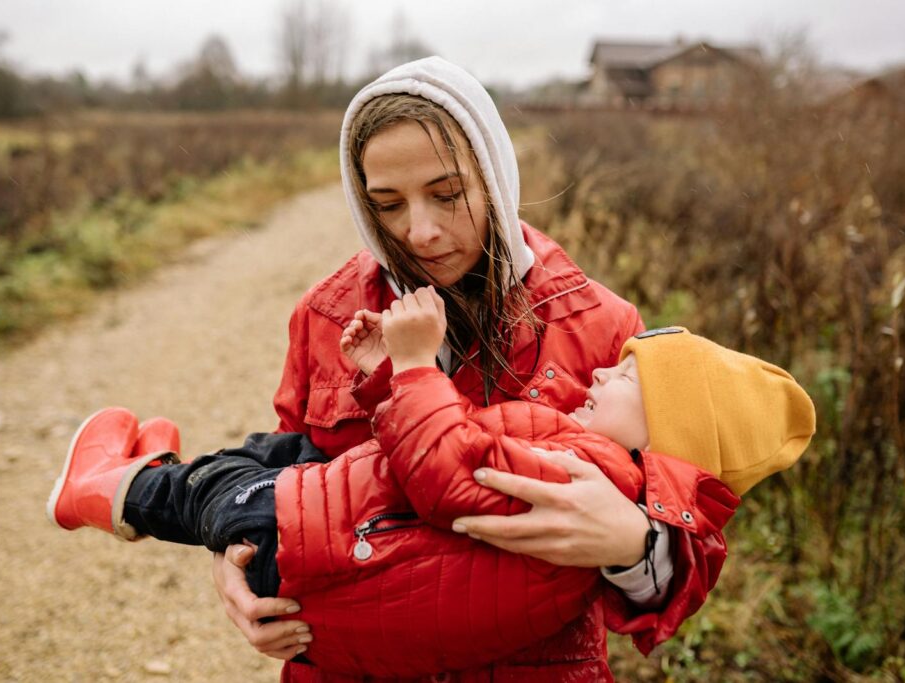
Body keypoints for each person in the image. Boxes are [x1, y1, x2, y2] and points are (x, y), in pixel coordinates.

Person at [157, 55, 741, 680]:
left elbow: (683, 548)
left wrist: (635, 544)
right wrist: (235, 559)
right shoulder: (327, 315)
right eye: (387, 205)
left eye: (447, 194)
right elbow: (288, 481)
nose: (421, 232)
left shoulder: (602, 325)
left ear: (493, 175)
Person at [47, 285, 815, 678]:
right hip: (354, 530)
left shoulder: (591, 470)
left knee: (216, 488)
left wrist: (416, 365)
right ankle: (153, 473)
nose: (602, 374)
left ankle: (106, 488)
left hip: (333, 548)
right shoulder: (598, 455)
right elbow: (457, 448)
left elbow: (446, 475)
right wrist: (389, 378)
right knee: (271, 452)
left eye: (625, 379)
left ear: (665, 431)